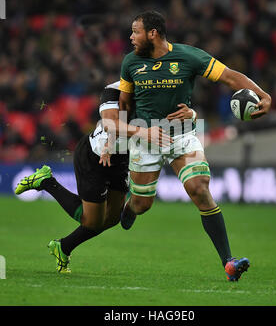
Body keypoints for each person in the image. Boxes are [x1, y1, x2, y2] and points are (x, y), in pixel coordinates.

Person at [116, 10, 272, 281]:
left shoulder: (189, 56)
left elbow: (231, 77)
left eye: (135, 31)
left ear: (153, 33)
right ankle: (130, 207)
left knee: (199, 189)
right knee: (142, 205)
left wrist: (262, 94)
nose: (131, 37)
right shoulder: (130, 62)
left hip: (182, 134)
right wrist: (122, 139)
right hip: (147, 137)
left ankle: (229, 262)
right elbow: (123, 106)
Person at [14, 80, 193, 273]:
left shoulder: (160, 90)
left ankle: (63, 246)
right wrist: (112, 142)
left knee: (111, 219)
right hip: (96, 157)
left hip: (121, 160)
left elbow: (182, 118)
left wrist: (191, 115)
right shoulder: (115, 89)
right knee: (91, 221)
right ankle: (46, 182)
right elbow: (111, 123)